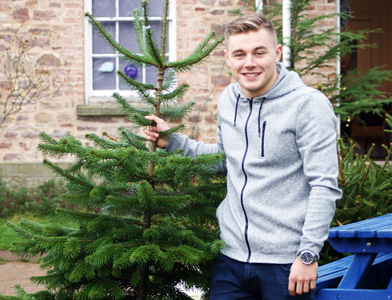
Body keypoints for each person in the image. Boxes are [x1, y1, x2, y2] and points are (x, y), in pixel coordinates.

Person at [144, 13, 342, 300]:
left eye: (259, 52)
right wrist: (173, 142)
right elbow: (226, 160)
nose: (249, 63)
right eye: (240, 54)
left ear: (276, 53)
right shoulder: (228, 100)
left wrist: (308, 254)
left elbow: (324, 185)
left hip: (286, 264)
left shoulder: (307, 105)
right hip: (231, 260)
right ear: (228, 57)